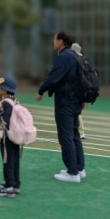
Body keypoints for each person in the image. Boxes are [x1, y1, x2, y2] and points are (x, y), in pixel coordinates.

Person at [36, 31, 86, 183]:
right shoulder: (76, 55)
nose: (53, 42)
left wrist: (41, 90)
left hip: (65, 102)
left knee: (66, 137)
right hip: (76, 101)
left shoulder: (64, 57)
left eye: (55, 39)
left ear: (61, 41)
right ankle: (79, 168)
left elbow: (53, 77)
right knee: (74, 135)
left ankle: (72, 172)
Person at [0, 76, 21, 197]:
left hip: (7, 137)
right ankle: (16, 184)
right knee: (15, 160)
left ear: (5, 90)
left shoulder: (4, 103)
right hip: (16, 135)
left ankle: (9, 187)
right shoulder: (16, 101)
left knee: (7, 160)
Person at [71, 43, 86, 139]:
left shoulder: (74, 63)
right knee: (77, 112)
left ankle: (80, 131)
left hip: (74, 91)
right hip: (80, 91)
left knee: (75, 112)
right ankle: (80, 131)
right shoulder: (82, 62)